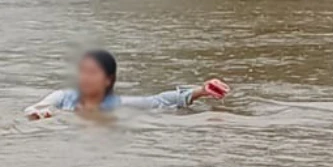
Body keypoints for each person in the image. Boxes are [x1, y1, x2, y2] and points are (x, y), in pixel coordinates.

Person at [25, 49, 229, 119]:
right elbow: (33, 110)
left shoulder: (118, 104)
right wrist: (45, 115)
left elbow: (159, 101)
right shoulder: (63, 97)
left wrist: (201, 91)